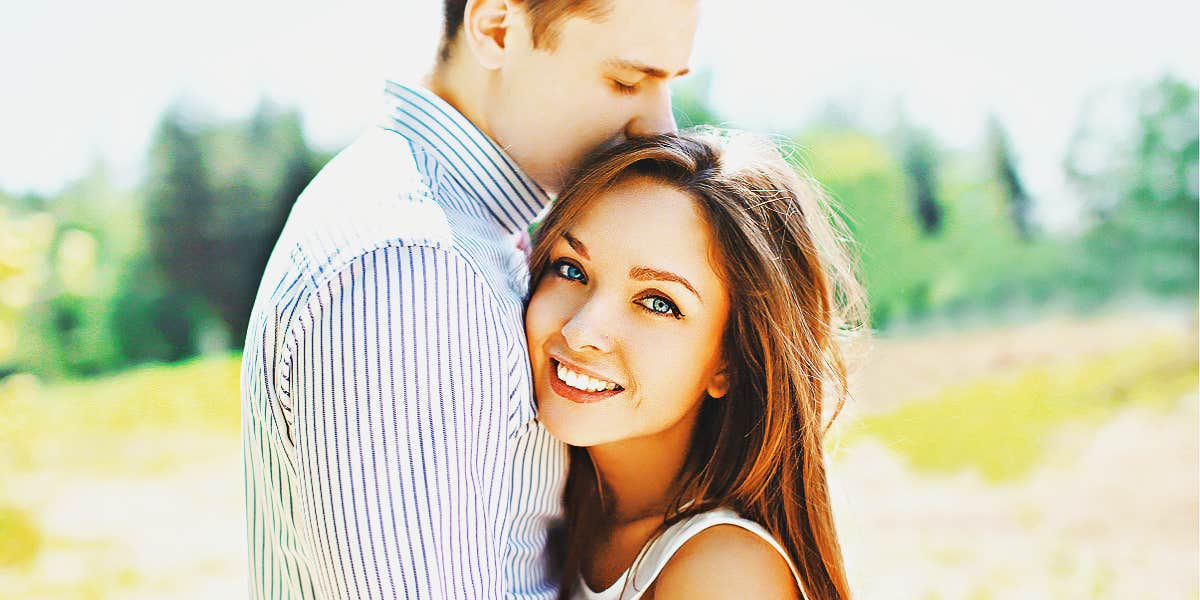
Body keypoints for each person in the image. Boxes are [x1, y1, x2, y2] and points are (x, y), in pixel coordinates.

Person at [240, 1, 699, 597]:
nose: (660, 126)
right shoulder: (413, 266)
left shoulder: (448, 234)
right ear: (497, 28)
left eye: (668, 85)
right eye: (626, 81)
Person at [524, 129, 868, 599]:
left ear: (727, 361)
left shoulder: (723, 574)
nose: (582, 330)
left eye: (658, 303)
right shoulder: (563, 510)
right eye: (571, 270)